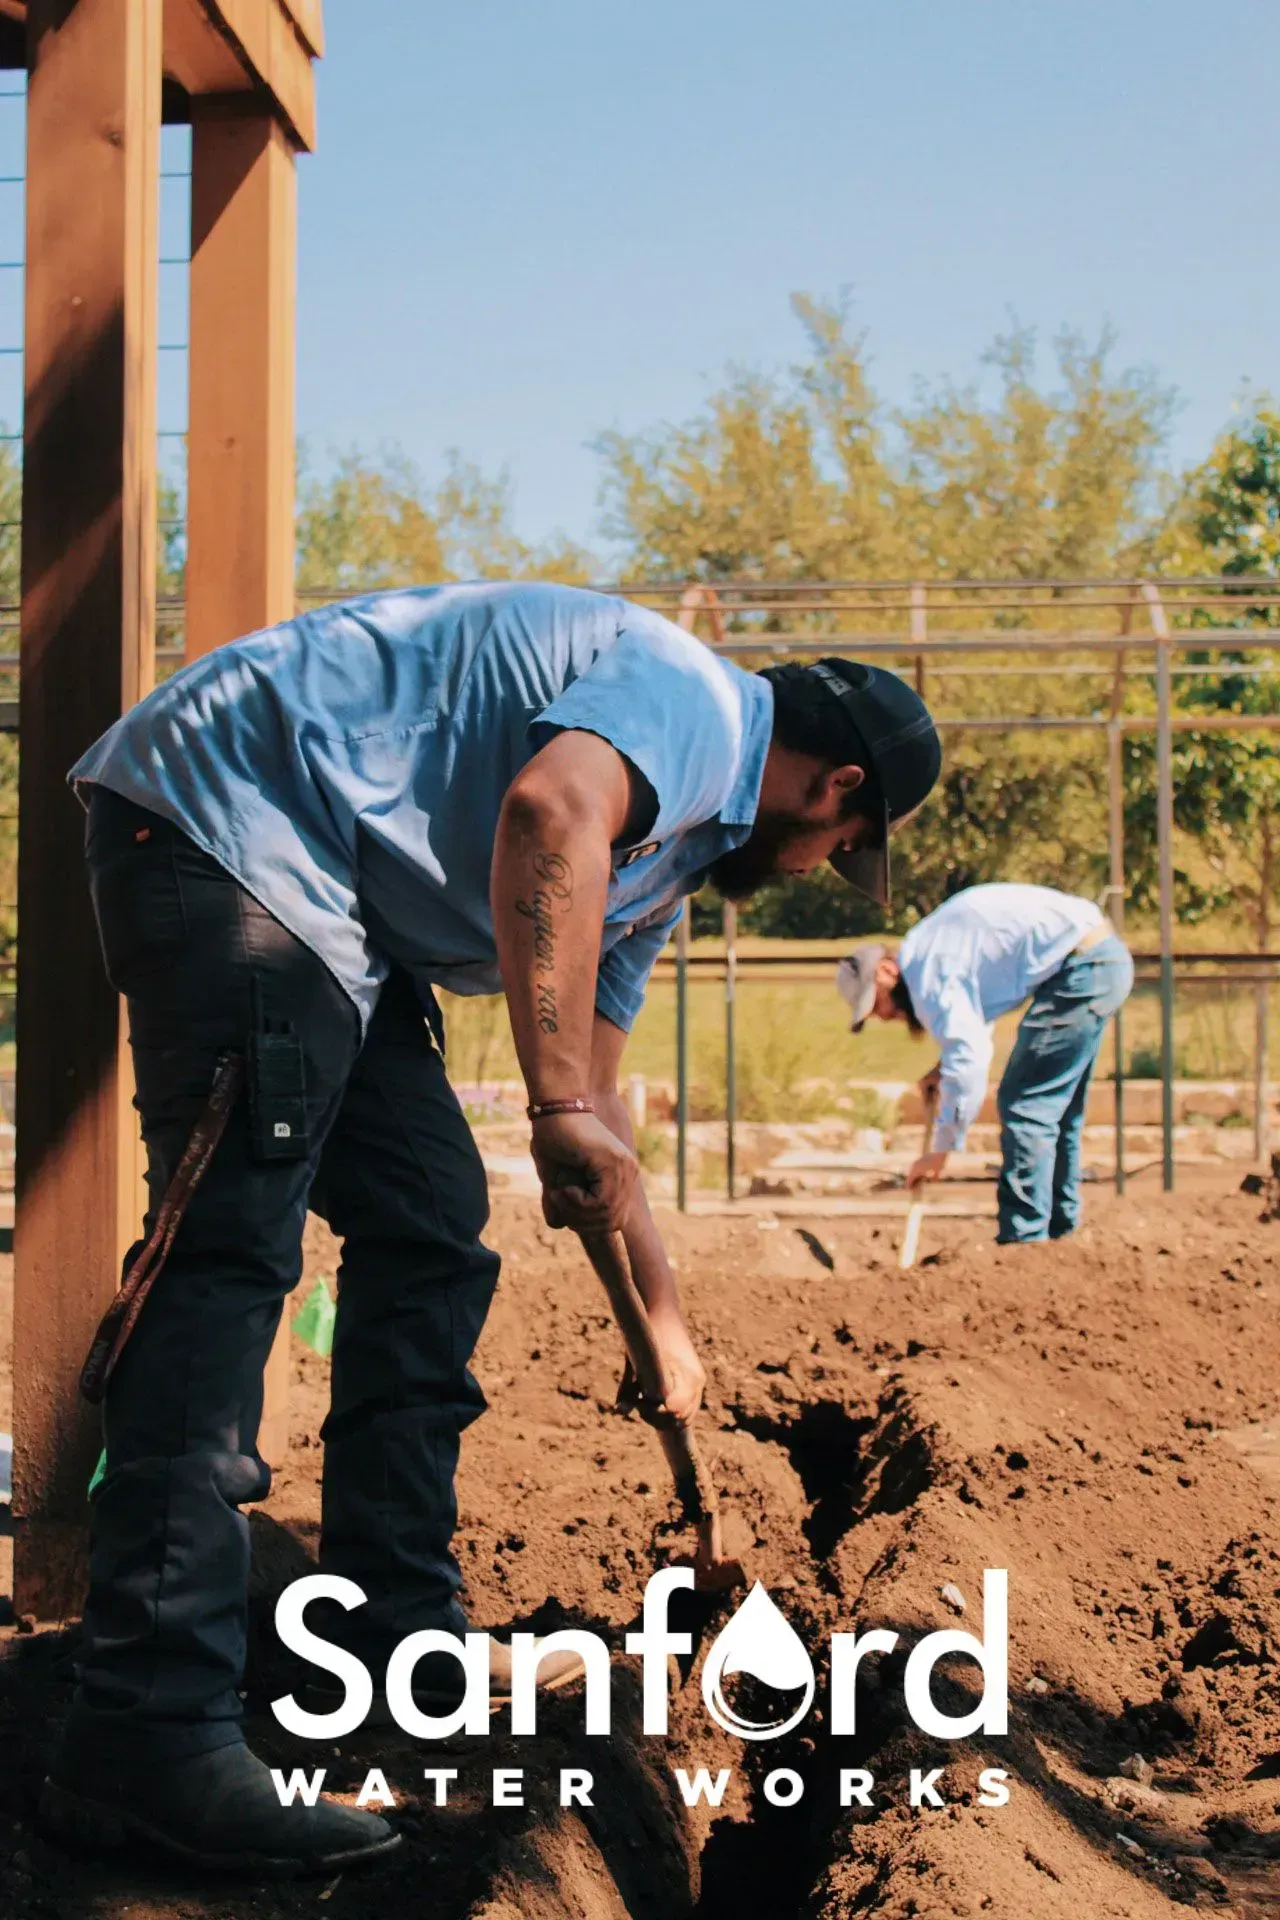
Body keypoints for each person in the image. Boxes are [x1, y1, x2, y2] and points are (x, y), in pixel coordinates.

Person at [43, 581, 941, 1873]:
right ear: (831, 787)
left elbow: (602, 1127)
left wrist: (668, 1333)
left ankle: (391, 1641)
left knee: (431, 1222)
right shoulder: (694, 702)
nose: (811, 875)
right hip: (235, 820)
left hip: (334, 904)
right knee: (231, 1249)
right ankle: (146, 1722)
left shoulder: (664, 864)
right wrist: (555, 1095)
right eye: (835, 849)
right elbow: (545, 810)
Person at [837, 881, 1133, 1245]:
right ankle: (1059, 1232)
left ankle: (1024, 1241)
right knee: (1057, 1111)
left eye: (876, 1004)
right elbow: (974, 1022)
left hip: (1081, 968)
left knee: (1025, 1106)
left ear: (885, 971)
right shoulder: (928, 952)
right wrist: (941, 1070)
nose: (883, 1016)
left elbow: (970, 1059)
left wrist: (941, 1150)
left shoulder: (928, 975)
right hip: (1097, 959)